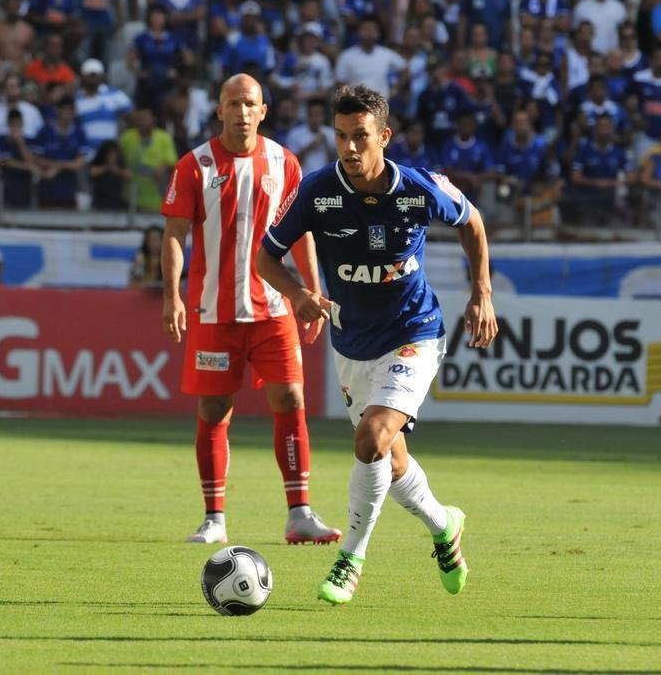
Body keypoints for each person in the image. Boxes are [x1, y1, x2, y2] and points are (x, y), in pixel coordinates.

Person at [256, 84, 498, 605]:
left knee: (370, 438)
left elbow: (472, 222)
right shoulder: (317, 191)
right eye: (341, 136)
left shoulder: (418, 188)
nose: (349, 147)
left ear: (383, 137)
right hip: (352, 345)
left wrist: (482, 291)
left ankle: (351, 559)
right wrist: (297, 292)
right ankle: (444, 526)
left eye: (360, 136)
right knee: (388, 460)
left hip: (414, 333)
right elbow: (266, 257)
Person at [160, 73, 340, 547]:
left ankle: (299, 513)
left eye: (250, 104)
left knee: (291, 399)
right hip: (213, 312)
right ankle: (214, 517)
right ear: (219, 110)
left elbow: (301, 233)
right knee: (215, 408)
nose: (241, 112)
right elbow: (174, 235)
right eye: (232, 104)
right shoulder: (193, 165)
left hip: (274, 307)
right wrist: (171, 294)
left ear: (263, 111)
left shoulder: (285, 163)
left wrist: (311, 291)